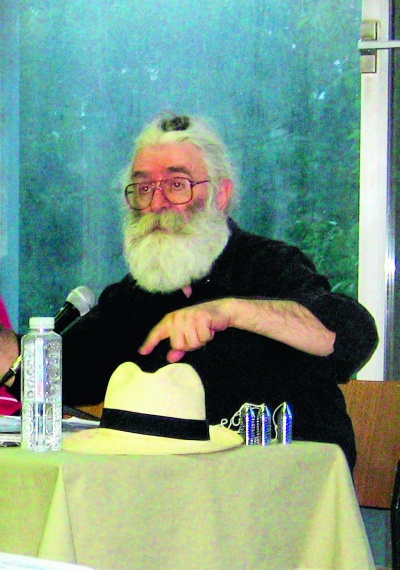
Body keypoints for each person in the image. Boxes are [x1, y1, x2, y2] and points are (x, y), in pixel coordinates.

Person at [2, 113, 377, 469]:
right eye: (143, 188)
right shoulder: (135, 295)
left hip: (282, 487)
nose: (156, 203)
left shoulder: (267, 264)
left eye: (177, 184)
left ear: (220, 195)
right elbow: (63, 375)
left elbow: (352, 336)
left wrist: (227, 311)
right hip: (170, 491)